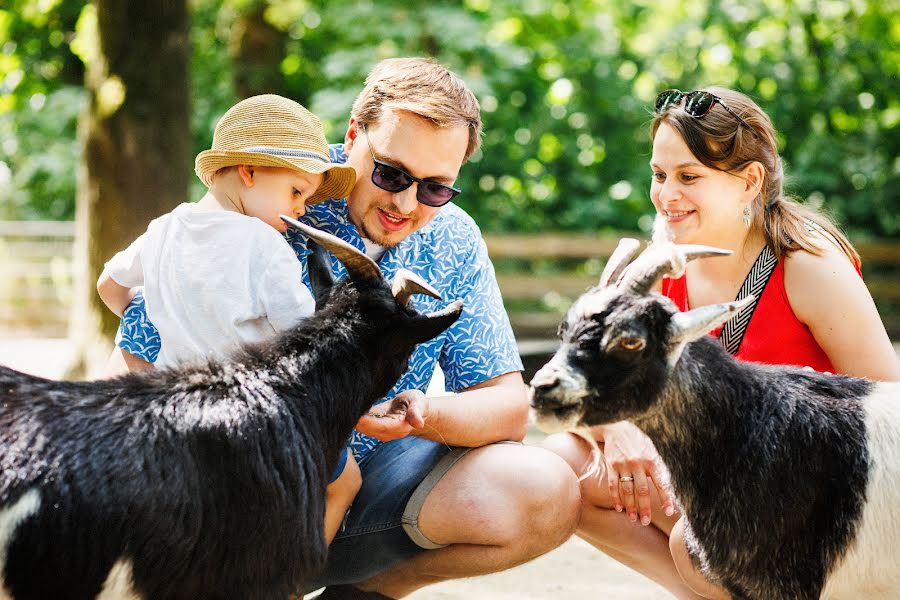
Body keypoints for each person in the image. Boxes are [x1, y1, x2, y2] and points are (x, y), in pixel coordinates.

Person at [107, 58, 581, 599]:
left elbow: (508, 405)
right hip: (239, 484)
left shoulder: (456, 237)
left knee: (544, 491)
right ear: (353, 135)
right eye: (391, 174)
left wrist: (420, 415)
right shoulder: (265, 190)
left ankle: (357, 593)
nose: (405, 203)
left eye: (434, 188)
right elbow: (135, 357)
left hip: (370, 475)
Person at [542, 87, 900, 599]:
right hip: (719, 481)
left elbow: (889, 415)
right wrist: (618, 428)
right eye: (659, 175)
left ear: (749, 182)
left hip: (821, 504)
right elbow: (596, 382)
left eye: (689, 177)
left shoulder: (808, 265)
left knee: (695, 541)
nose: (666, 195)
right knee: (566, 464)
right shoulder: (664, 263)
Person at [96, 93, 362, 545]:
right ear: (249, 170)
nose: (301, 209)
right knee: (345, 482)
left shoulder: (164, 229)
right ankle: (288, 579)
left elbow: (108, 282)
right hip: (250, 419)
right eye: (297, 192)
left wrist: (142, 312)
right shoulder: (267, 248)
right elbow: (308, 339)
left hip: (177, 415)